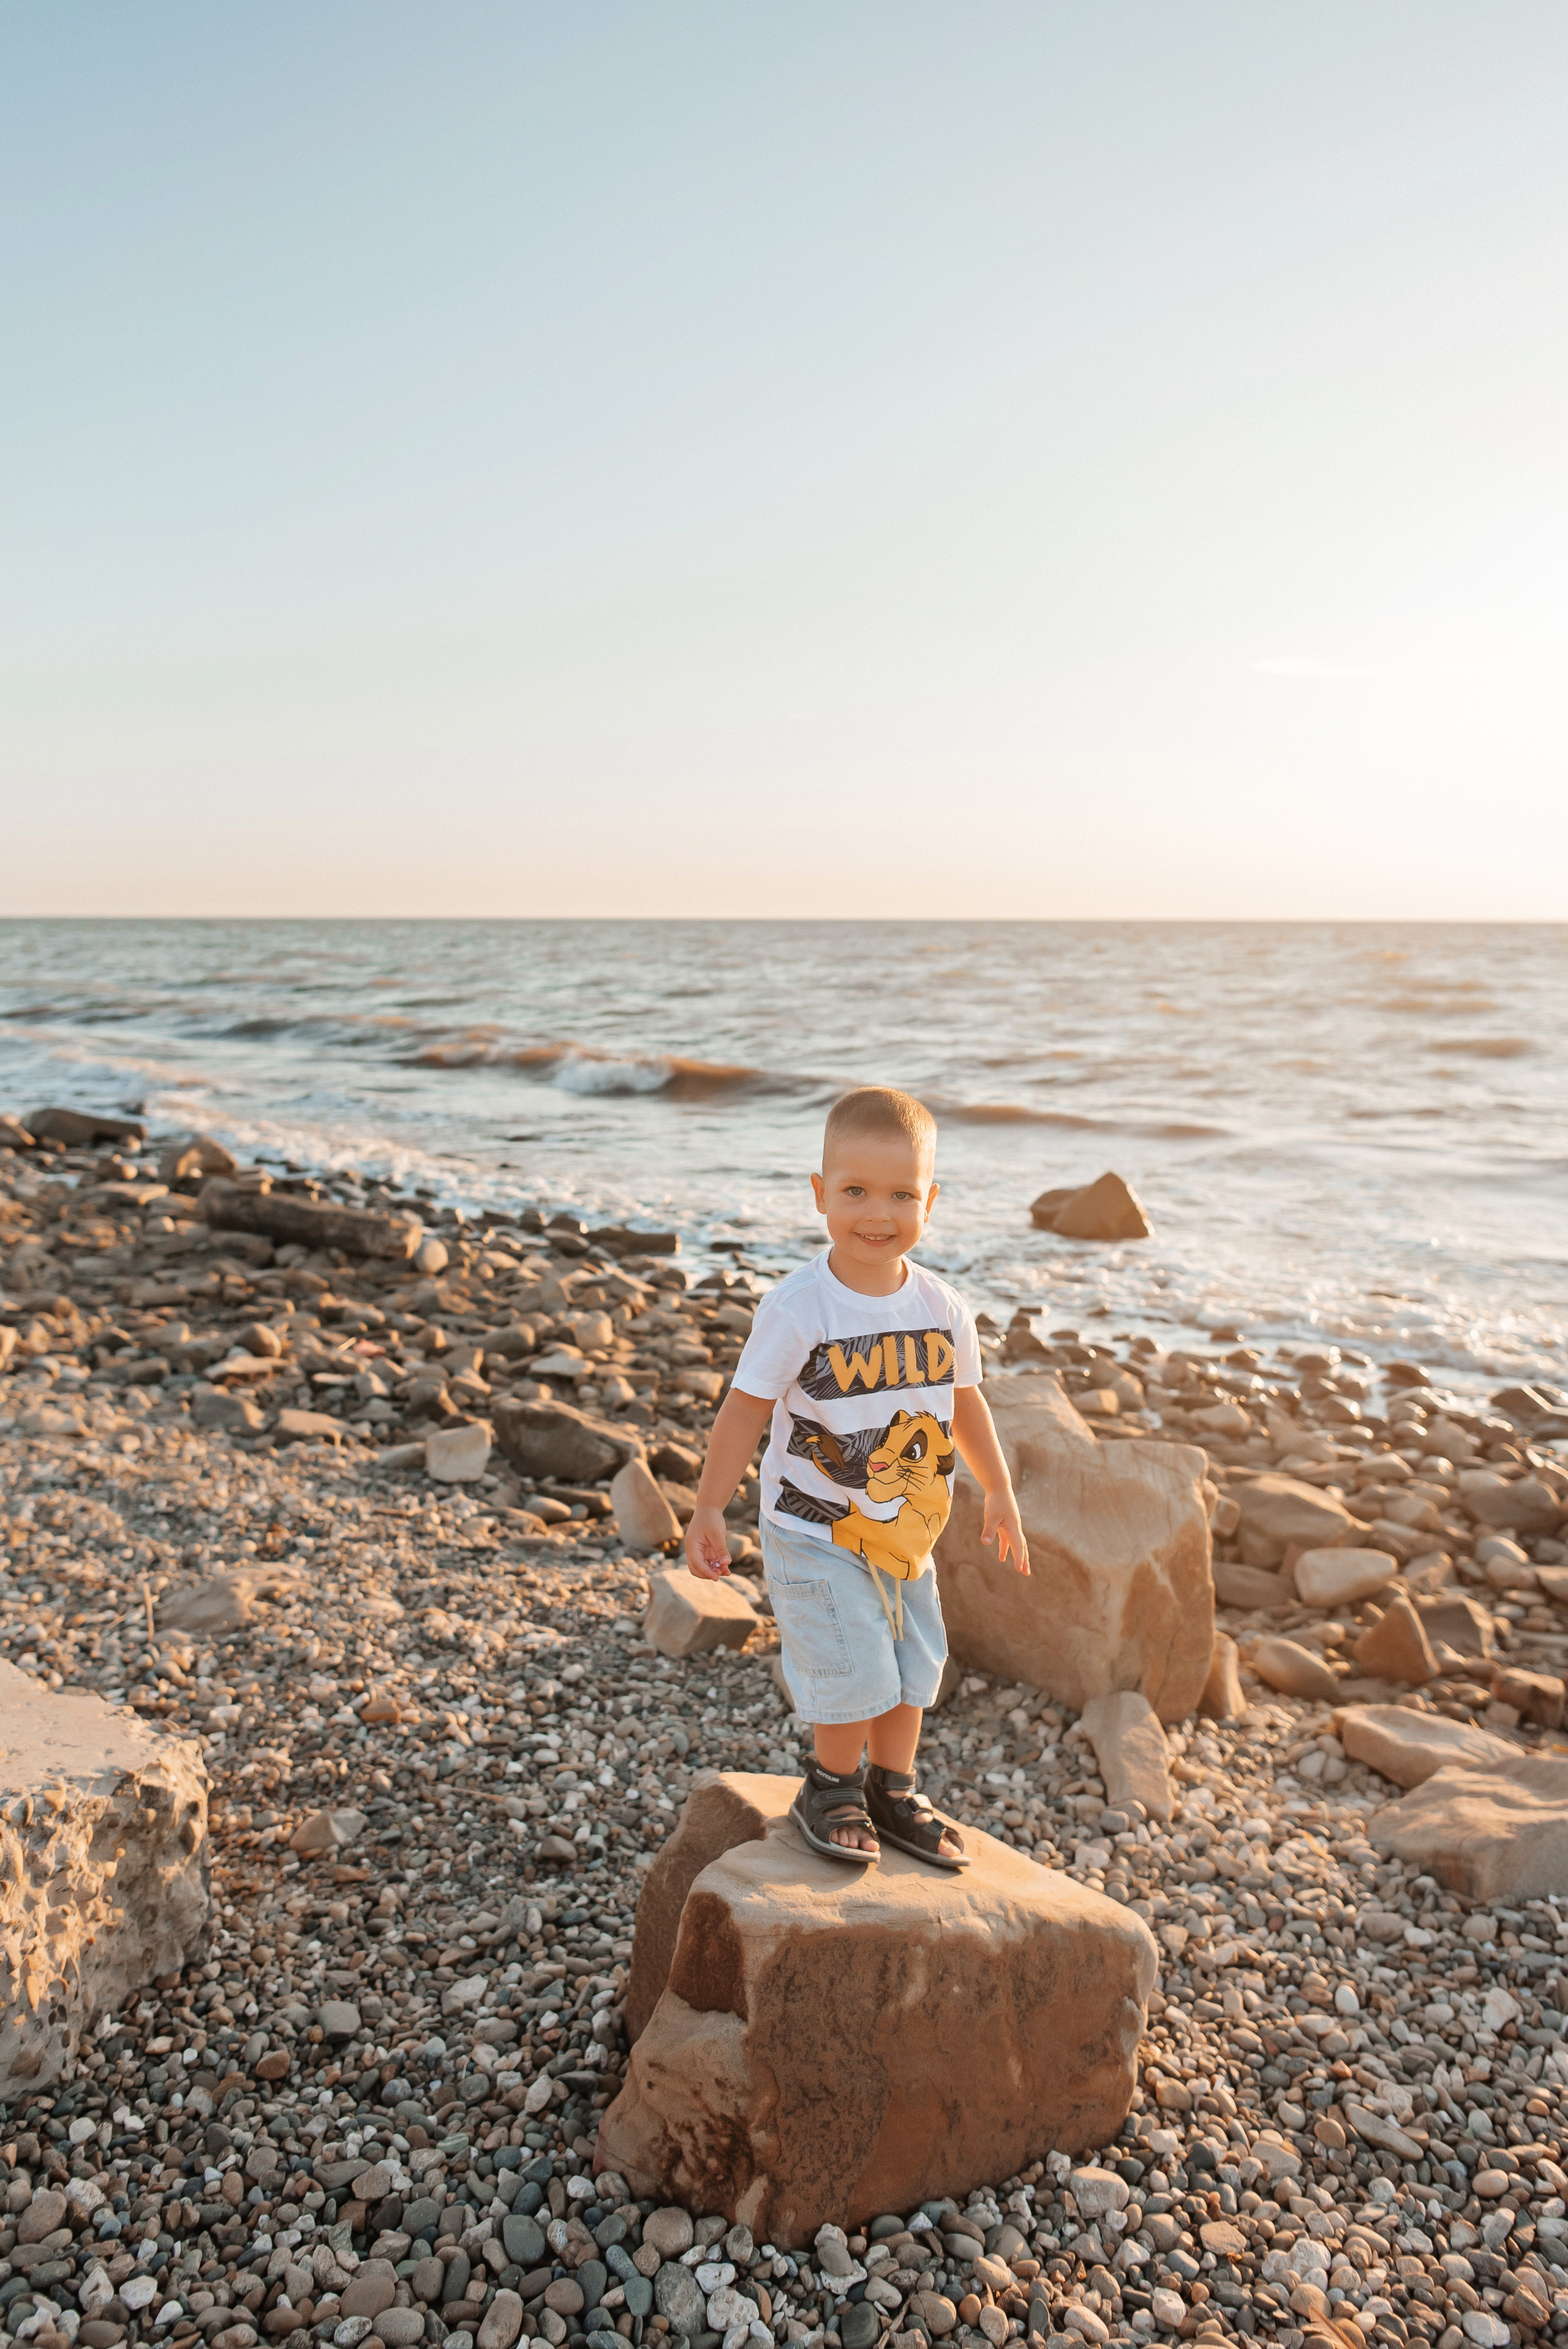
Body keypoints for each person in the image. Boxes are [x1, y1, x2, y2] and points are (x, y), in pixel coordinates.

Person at [684, 1084, 1029, 1868]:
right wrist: (710, 1507)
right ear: (819, 1196)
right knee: (851, 1660)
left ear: (931, 1201)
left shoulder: (943, 1307)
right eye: (855, 1192)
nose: (878, 1213)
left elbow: (964, 1404)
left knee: (914, 1662)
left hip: (906, 1535)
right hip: (815, 1526)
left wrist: (1000, 1492)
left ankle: (893, 1789)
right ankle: (831, 1785)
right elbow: (743, 1411)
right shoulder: (801, 1307)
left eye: (902, 1194)